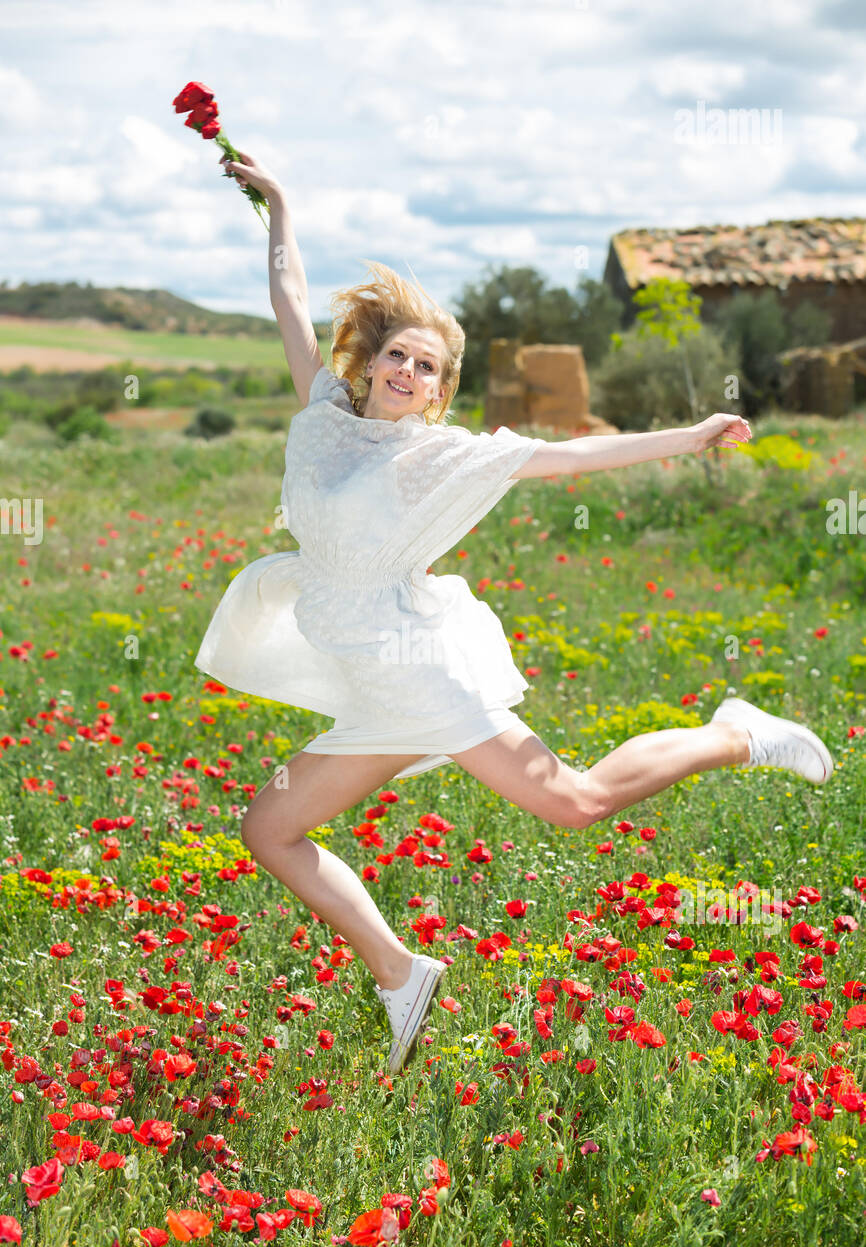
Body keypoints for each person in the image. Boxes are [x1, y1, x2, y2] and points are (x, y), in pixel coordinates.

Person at [195, 151, 834, 1077]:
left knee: (575, 803)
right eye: (397, 355)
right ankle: (400, 972)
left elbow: (567, 459)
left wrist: (690, 436)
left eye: (427, 366)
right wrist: (280, 205)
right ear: (368, 362)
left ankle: (734, 733)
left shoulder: (435, 458)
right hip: (372, 690)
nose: (408, 371)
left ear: (440, 389)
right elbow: (290, 297)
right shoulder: (322, 416)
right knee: (270, 830)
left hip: (418, 672)